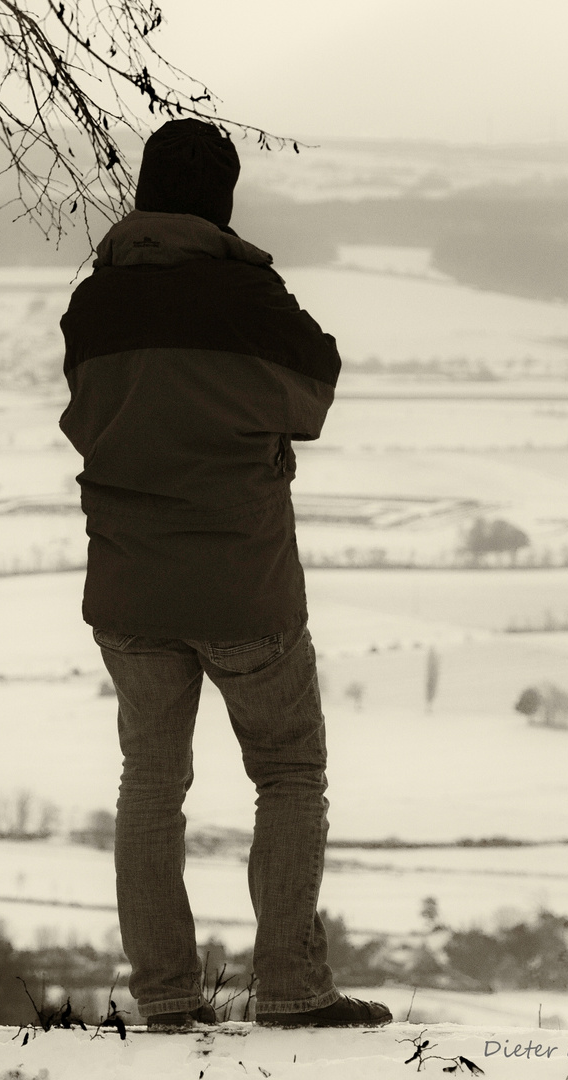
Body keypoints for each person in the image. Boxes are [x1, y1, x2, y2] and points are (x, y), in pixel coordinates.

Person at [58, 119, 391, 1031]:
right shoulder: (250, 299)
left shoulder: (94, 306)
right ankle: (289, 989)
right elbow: (314, 390)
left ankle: (165, 998)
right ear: (224, 204)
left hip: (129, 587)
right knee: (287, 773)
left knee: (149, 785)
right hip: (246, 585)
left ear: (142, 197)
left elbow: (90, 419)